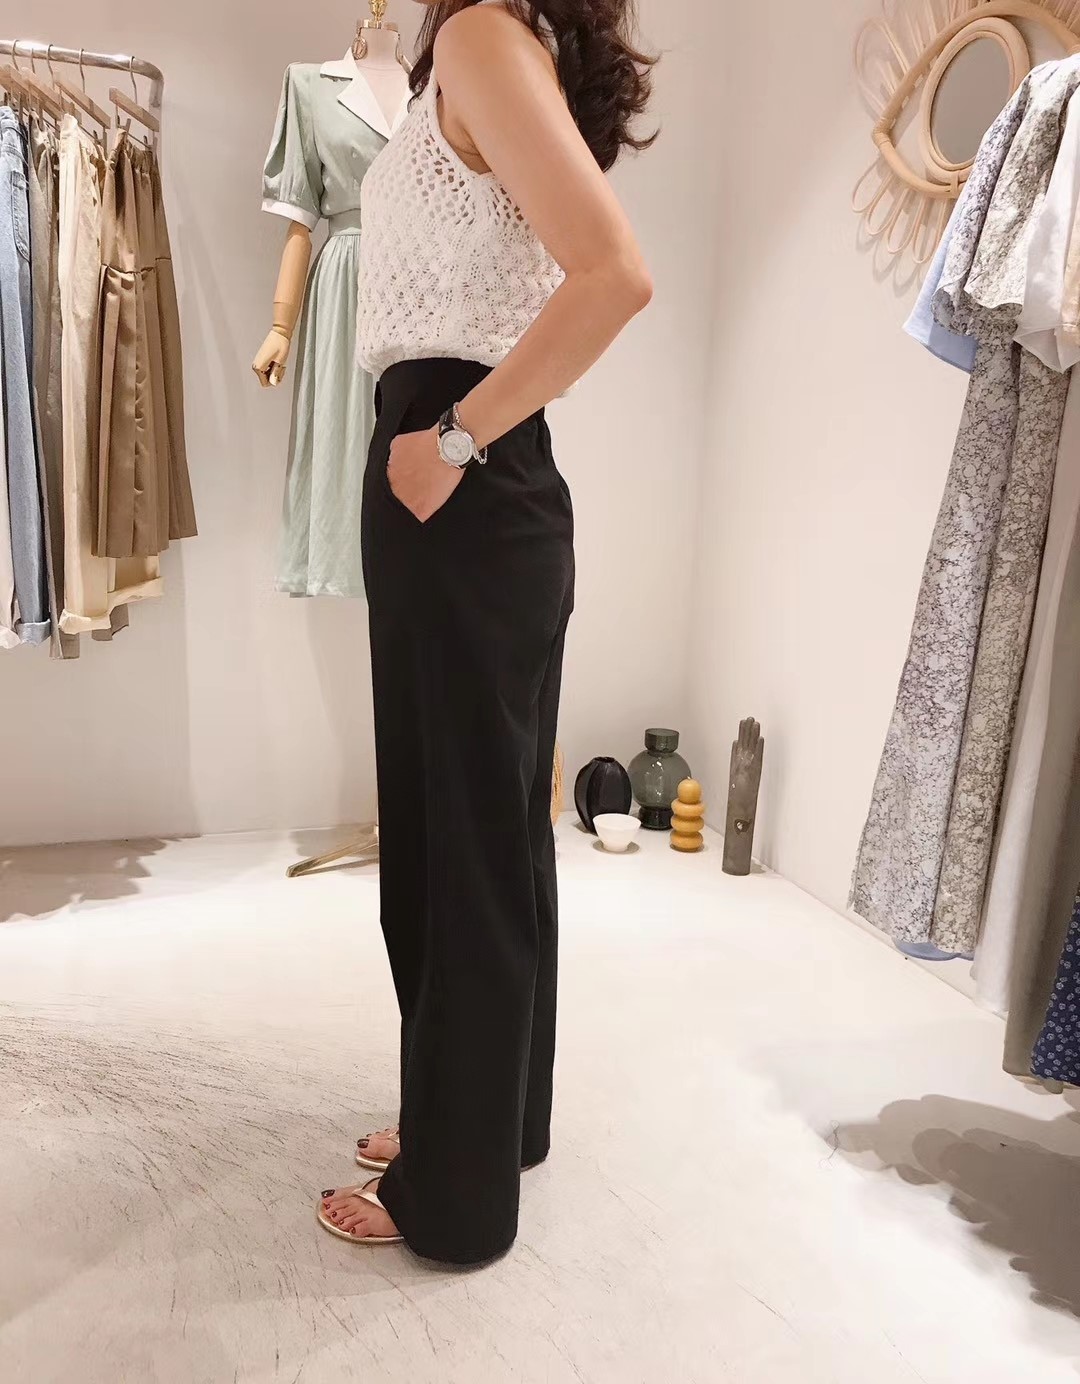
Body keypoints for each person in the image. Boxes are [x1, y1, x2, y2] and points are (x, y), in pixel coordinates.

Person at [319, 0, 655, 1264]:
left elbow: (616, 275)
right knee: (494, 833)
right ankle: (489, 1126)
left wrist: (452, 441)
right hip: (477, 483)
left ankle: (452, 1194)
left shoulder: (478, 35)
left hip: (458, 473)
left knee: (452, 845)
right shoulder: (486, 46)